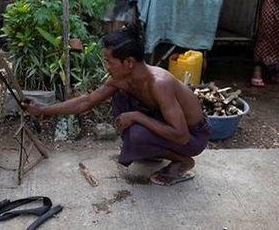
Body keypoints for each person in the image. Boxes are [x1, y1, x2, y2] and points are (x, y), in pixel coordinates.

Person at [22, 26, 211, 186]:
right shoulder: (122, 80)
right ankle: (152, 150)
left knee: (137, 133)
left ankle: (183, 161)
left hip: (192, 137)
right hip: (169, 127)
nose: (106, 67)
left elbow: (181, 134)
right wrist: (42, 110)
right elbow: (86, 101)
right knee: (120, 98)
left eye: (108, 61)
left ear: (129, 62)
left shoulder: (159, 83)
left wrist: (137, 116)